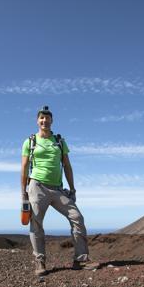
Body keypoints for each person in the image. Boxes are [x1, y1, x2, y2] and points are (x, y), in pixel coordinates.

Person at [21, 106, 99, 276]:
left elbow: (67, 166)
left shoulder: (59, 141)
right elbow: (24, 168)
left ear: (52, 121)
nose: (44, 120)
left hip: (57, 188)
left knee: (77, 217)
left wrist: (72, 189)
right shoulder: (30, 141)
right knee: (36, 223)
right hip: (37, 186)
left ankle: (81, 259)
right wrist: (23, 194)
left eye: (47, 118)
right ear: (37, 120)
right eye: (41, 118)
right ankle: (39, 262)